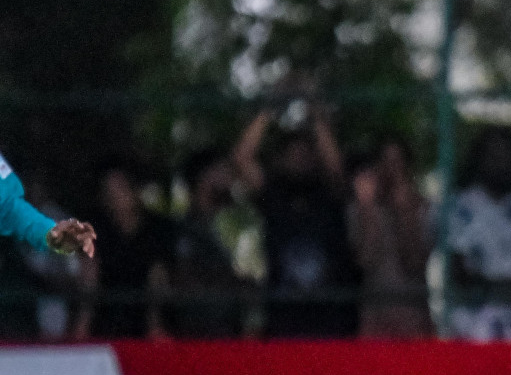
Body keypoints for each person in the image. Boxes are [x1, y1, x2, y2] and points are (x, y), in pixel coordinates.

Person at [232, 96, 359, 338]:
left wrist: (316, 112)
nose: (300, 156)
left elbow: (335, 166)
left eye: (306, 151)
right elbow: (241, 159)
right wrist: (269, 109)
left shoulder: (330, 192)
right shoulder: (273, 191)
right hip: (283, 318)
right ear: (281, 157)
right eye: (293, 151)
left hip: (330, 319)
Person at [447, 126, 511, 341]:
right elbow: (457, 268)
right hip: (477, 317)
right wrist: (497, 287)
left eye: (506, 156)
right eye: (493, 156)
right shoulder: (463, 206)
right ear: (480, 159)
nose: (500, 163)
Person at [75, 163, 176, 340]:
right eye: (108, 191)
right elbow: (90, 276)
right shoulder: (95, 229)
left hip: (143, 323)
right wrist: (82, 327)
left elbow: (158, 277)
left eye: (120, 188)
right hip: (105, 320)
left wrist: (155, 325)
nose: (114, 196)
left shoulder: (158, 229)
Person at [349, 138, 434, 338]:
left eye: (397, 162)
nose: (391, 170)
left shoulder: (424, 208)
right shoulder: (359, 209)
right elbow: (365, 262)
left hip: (413, 318)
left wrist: (405, 215)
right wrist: (369, 212)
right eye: (385, 162)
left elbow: (415, 264)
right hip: (375, 318)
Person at [0, 157, 94, 331]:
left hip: (53, 296)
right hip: (22, 294)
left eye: (36, 186)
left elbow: (72, 270)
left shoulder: (57, 220)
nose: (32, 191)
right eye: (28, 185)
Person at [171, 149, 249, 338]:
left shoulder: (234, 224)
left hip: (231, 332)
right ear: (204, 176)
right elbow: (181, 280)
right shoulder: (183, 229)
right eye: (221, 170)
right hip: (195, 333)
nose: (229, 178)